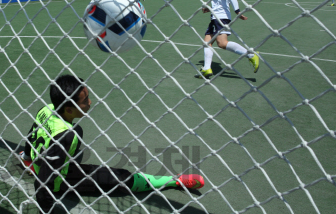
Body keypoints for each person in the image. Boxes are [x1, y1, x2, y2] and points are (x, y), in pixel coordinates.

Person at [19, 75, 204, 213]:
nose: (90, 102)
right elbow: (43, 183)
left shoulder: (47, 108)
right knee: (122, 178)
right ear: (69, 108)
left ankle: (33, 163)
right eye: (85, 101)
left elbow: (31, 134)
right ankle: (174, 181)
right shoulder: (67, 136)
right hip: (59, 180)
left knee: (76, 138)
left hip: (41, 160)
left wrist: (27, 157)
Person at [195, 0, 259, 79]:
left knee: (222, 43)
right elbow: (220, 0)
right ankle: (207, 68)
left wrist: (237, 11)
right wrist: (209, 8)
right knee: (207, 42)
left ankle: (250, 55)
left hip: (220, 18)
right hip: (218, 16)